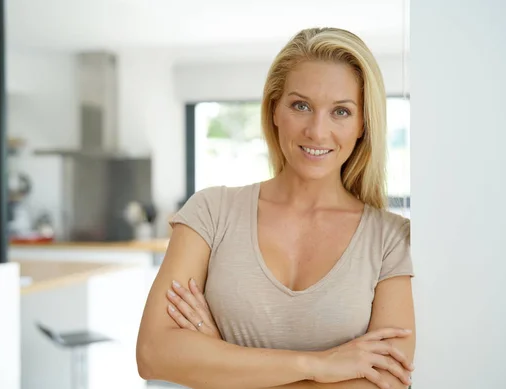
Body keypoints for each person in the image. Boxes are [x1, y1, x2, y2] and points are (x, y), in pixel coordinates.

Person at [136, 27, 415, 389]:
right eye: (301, 106)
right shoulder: (211, 212)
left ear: (363, 124)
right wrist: (320, 366)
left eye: (341, 112)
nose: (317, 131)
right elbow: (153, 353)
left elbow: (387, 381)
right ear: (274, 111)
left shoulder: (390, 239)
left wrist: (219, 357)